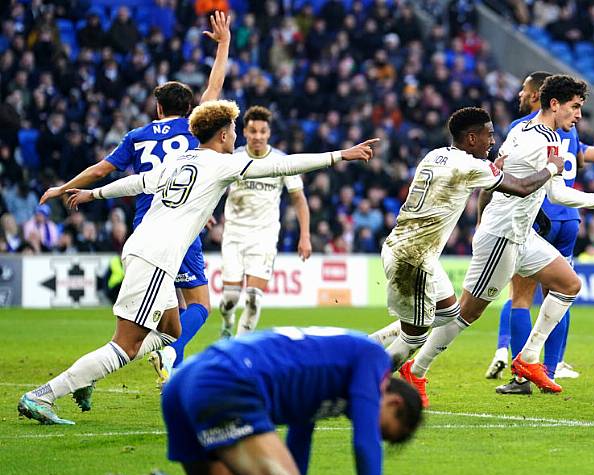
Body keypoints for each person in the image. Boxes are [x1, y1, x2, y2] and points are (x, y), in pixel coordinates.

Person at [18, 99, 378, 425]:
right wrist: (339, 155)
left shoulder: (181, 160)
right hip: (157, 258)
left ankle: (88, 376)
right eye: (235, 130)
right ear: (223, 134)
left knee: (171, 332)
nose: (237, 136)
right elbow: (282, 166)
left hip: (143, 248)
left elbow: (136, 183)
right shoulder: (223, 165)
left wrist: (93, 193)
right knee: (125, 345)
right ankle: (43, 395)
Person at [396, 75, 594, 404]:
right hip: (503, 235)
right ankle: (417, 368)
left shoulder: (536, 133)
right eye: (575, 107)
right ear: (555, 104)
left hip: (522, 235)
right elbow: (508, 179)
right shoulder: (533, 139)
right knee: (467, 313)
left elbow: (555, 192)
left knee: (569, 285)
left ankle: (528, 357)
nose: (579, 115)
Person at [61, 327, 425, 475]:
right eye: (387, 433)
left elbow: (301, 429)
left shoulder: (331, 376)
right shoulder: (373, 361)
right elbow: (363, 441)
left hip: (187, 382)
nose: (377, 436)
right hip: (229, 382)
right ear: (393, 404)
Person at [39, 12, 232, 378]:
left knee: (165, 314)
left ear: (158, 108)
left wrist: (63, 188)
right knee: (200, 305)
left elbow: (100, 171)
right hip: (178, 225)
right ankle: (171, 355)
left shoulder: (137, 136)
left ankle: (163, 360)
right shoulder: (195, 130)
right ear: (190, 110)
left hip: (145, 225)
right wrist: (223, 44)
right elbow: (215, 85)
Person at [368, 107, 564, 402]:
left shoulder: (435, 155)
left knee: (448, 312)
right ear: (471, 138)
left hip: (406, 248)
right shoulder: (471, 166)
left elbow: (480, 180)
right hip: (413, 259)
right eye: (488, 135)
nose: (492, 141)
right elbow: (522, 188)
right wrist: (552, 167)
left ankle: (370, 343)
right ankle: (365, 383)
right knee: (415, 337)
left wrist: (492, 169)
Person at [485, 71, 594, 393]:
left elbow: (500, 173)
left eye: (523, 91)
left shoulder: (526, 129)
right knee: (560, 294)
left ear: (538, 97)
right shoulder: (566, 134)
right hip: (570, 221)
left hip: (539, 218)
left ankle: (521, 377)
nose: (519, 95)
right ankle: (552, 370)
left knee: (520, 298)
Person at [217, 106, 312, 339]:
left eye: (262, 131)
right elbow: (213, 189)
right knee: (230, 298)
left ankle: (237, 349)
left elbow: (299, 200)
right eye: (253, 131)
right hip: (234, 235)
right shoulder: (234, 159)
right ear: (245, 133)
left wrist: (305, 236)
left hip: (264, 237)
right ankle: (227, 321)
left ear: (268, 134)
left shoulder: (281, 162)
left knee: (252, 299)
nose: (258, 136)